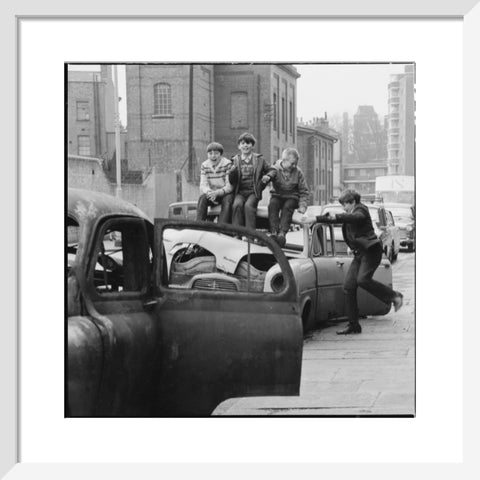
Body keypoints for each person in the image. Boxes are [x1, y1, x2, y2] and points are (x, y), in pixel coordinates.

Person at [304, 189, 404, 335]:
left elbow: (354, 218)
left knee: (363, 279)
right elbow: (347, 224)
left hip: (371, 252)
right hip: (360, 254)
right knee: (349, 287)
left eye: (345, 205)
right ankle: (353, 325)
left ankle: (395, 296)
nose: (344, 208)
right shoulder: (352, 212)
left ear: (353, 202)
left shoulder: (361, 210)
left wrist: (326, 218)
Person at [229, 132, 274, 231]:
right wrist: (231, 172)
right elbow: (231, 181)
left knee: (249, 207)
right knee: (237, 205)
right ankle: (237, 234)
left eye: (248, 143)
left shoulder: (260, 160)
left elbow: (272, 170)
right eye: (243, 143)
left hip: (253, 192)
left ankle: (250, 236)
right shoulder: (234, 161)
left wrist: (268, 176)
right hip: (239, 192)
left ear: (252, 146)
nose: (245, 145)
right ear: (239, 146)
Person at [267, 148, 309, 247]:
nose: (294, 166)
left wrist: (302, 206)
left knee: (287, 207)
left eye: (296, 163)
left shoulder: (298, 172)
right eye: (292, 163)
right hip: (277, 195)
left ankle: (282, 233)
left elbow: (304, 191)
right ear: (284, 160)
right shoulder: (275, 169)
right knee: (272, 205)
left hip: (292, 197)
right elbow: (267, 176)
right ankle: (274, 232)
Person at [196, 142, 233, 223]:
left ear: (221, 154)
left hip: (224, 194)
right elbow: (203, 184)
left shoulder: (227, 164)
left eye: (216, 153)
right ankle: (199, 225)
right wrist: (209, 192)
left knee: (227, 200)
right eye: (210, 153)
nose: (213, 156)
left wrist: (217, 193)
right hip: (212, 193)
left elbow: (229, 186)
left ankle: (222, 227)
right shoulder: (204, 165)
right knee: (202, 198)